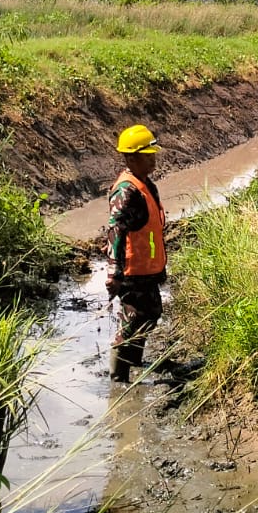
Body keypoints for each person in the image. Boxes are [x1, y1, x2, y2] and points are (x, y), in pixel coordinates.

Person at [103, 124, 167, 383]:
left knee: (148, 314)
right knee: (134, 320)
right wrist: (114, 271)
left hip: (146, 268)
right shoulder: (126, 191)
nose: (153, 159)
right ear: (131, 158)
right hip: (132, 271)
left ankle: (134, 363)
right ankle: (118, 378)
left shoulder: (144, 184)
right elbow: (115, 232)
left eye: (153, 153)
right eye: (147, 155)